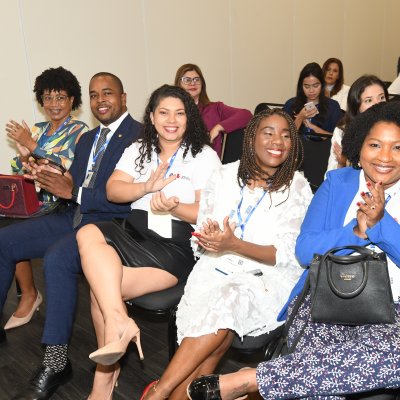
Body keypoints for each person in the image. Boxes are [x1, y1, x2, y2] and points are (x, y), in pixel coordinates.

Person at [187, 101, 400, 400]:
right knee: (322, 388)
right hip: (326, 301)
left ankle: (255, 379)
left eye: (397, 148)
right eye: (375, 145)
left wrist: (380, 226)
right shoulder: (337, 184)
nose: (385, 158)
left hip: (394, 311)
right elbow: (304, 250)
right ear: (359, 145)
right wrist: (355, 231)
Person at [141, 108, 313, 400]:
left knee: (230, 298)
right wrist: (209, 239)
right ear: (251, 138)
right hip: (216, 267)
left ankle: (160, 390)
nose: (278, 141)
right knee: (218, 337)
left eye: (286, 135)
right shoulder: (222, 176)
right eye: (268, 132)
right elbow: (203, 228)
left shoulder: (297, 188)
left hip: (266, 279)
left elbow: (286, 256)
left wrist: (234, 245)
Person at [75, 84, 221, 399]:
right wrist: (145, 187)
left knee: (102, 289)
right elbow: (114, 190)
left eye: (180, 113)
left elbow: (209, 214)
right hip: (132, 232)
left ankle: (104, 380)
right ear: (152, 117)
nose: (172, 120)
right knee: (87, 232)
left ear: (189, 117)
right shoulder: (138, 148)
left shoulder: (203, 156)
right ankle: (119, 323)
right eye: (164, 112)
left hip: (174, 246)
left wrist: (175, 207)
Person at [2, 72, 141, 400]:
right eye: (94, 95)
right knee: (4, 241)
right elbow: (73, 184)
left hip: (108, 225)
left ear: (123, 98)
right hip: (72, 215)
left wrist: (73, 191)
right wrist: (47, 175)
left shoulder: (139, 137)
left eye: (108, 93)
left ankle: (56, 361)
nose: (100, 100)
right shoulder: (89, 139)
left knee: (57, 258)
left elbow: (127, 199)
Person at [2, 66, 89, 331]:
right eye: (48, 98)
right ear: (41, 100)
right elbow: (22, 171)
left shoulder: (80, 131)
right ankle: (28, 293)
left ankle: (29, 295)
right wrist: (26, 157)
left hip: (61, 207)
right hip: (34, 203)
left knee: (8, 233)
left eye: (61, 97)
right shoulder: (38, 129)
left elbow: (68, 168)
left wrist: (32, 146)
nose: (54, 104)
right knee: (4, 225)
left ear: (72, 99)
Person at [284, 62, 342, 191]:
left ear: (322, 85)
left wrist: (315, 129)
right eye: (307, 86)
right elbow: (285, 137)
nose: (311, 91)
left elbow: (337, 139)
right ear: (301, 86)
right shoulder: (291, 104)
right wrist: (300, 117)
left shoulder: (332, 106)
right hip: (297, 156)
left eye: (316, 85)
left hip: (322, 156)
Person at [174, 63, 252, 158]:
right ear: (179, 84)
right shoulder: (172, 111)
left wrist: (218, 127)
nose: (193, 83)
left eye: (197, 79)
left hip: (211, 166)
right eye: (187, 80)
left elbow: (246, 115)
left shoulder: (215, 108)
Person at [326, 75, 388, 172]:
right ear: (357, 106)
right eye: (369, 100)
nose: (378, 104)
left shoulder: (395, 128)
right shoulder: (343, 131)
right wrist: (342, 163)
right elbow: (330, 176)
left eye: (381, 97)